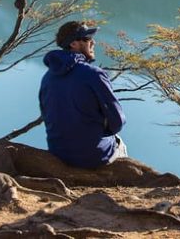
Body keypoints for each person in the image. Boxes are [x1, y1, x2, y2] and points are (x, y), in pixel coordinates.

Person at [39, 21, 127, 168]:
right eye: (87, 39)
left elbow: (47, 116)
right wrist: (103, 131)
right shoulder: (93, 74)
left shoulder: (47, 77)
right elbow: (118, 121)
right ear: (74, 44)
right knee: (119, 143)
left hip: (58, 153)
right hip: (93, 156)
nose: (93, 42)